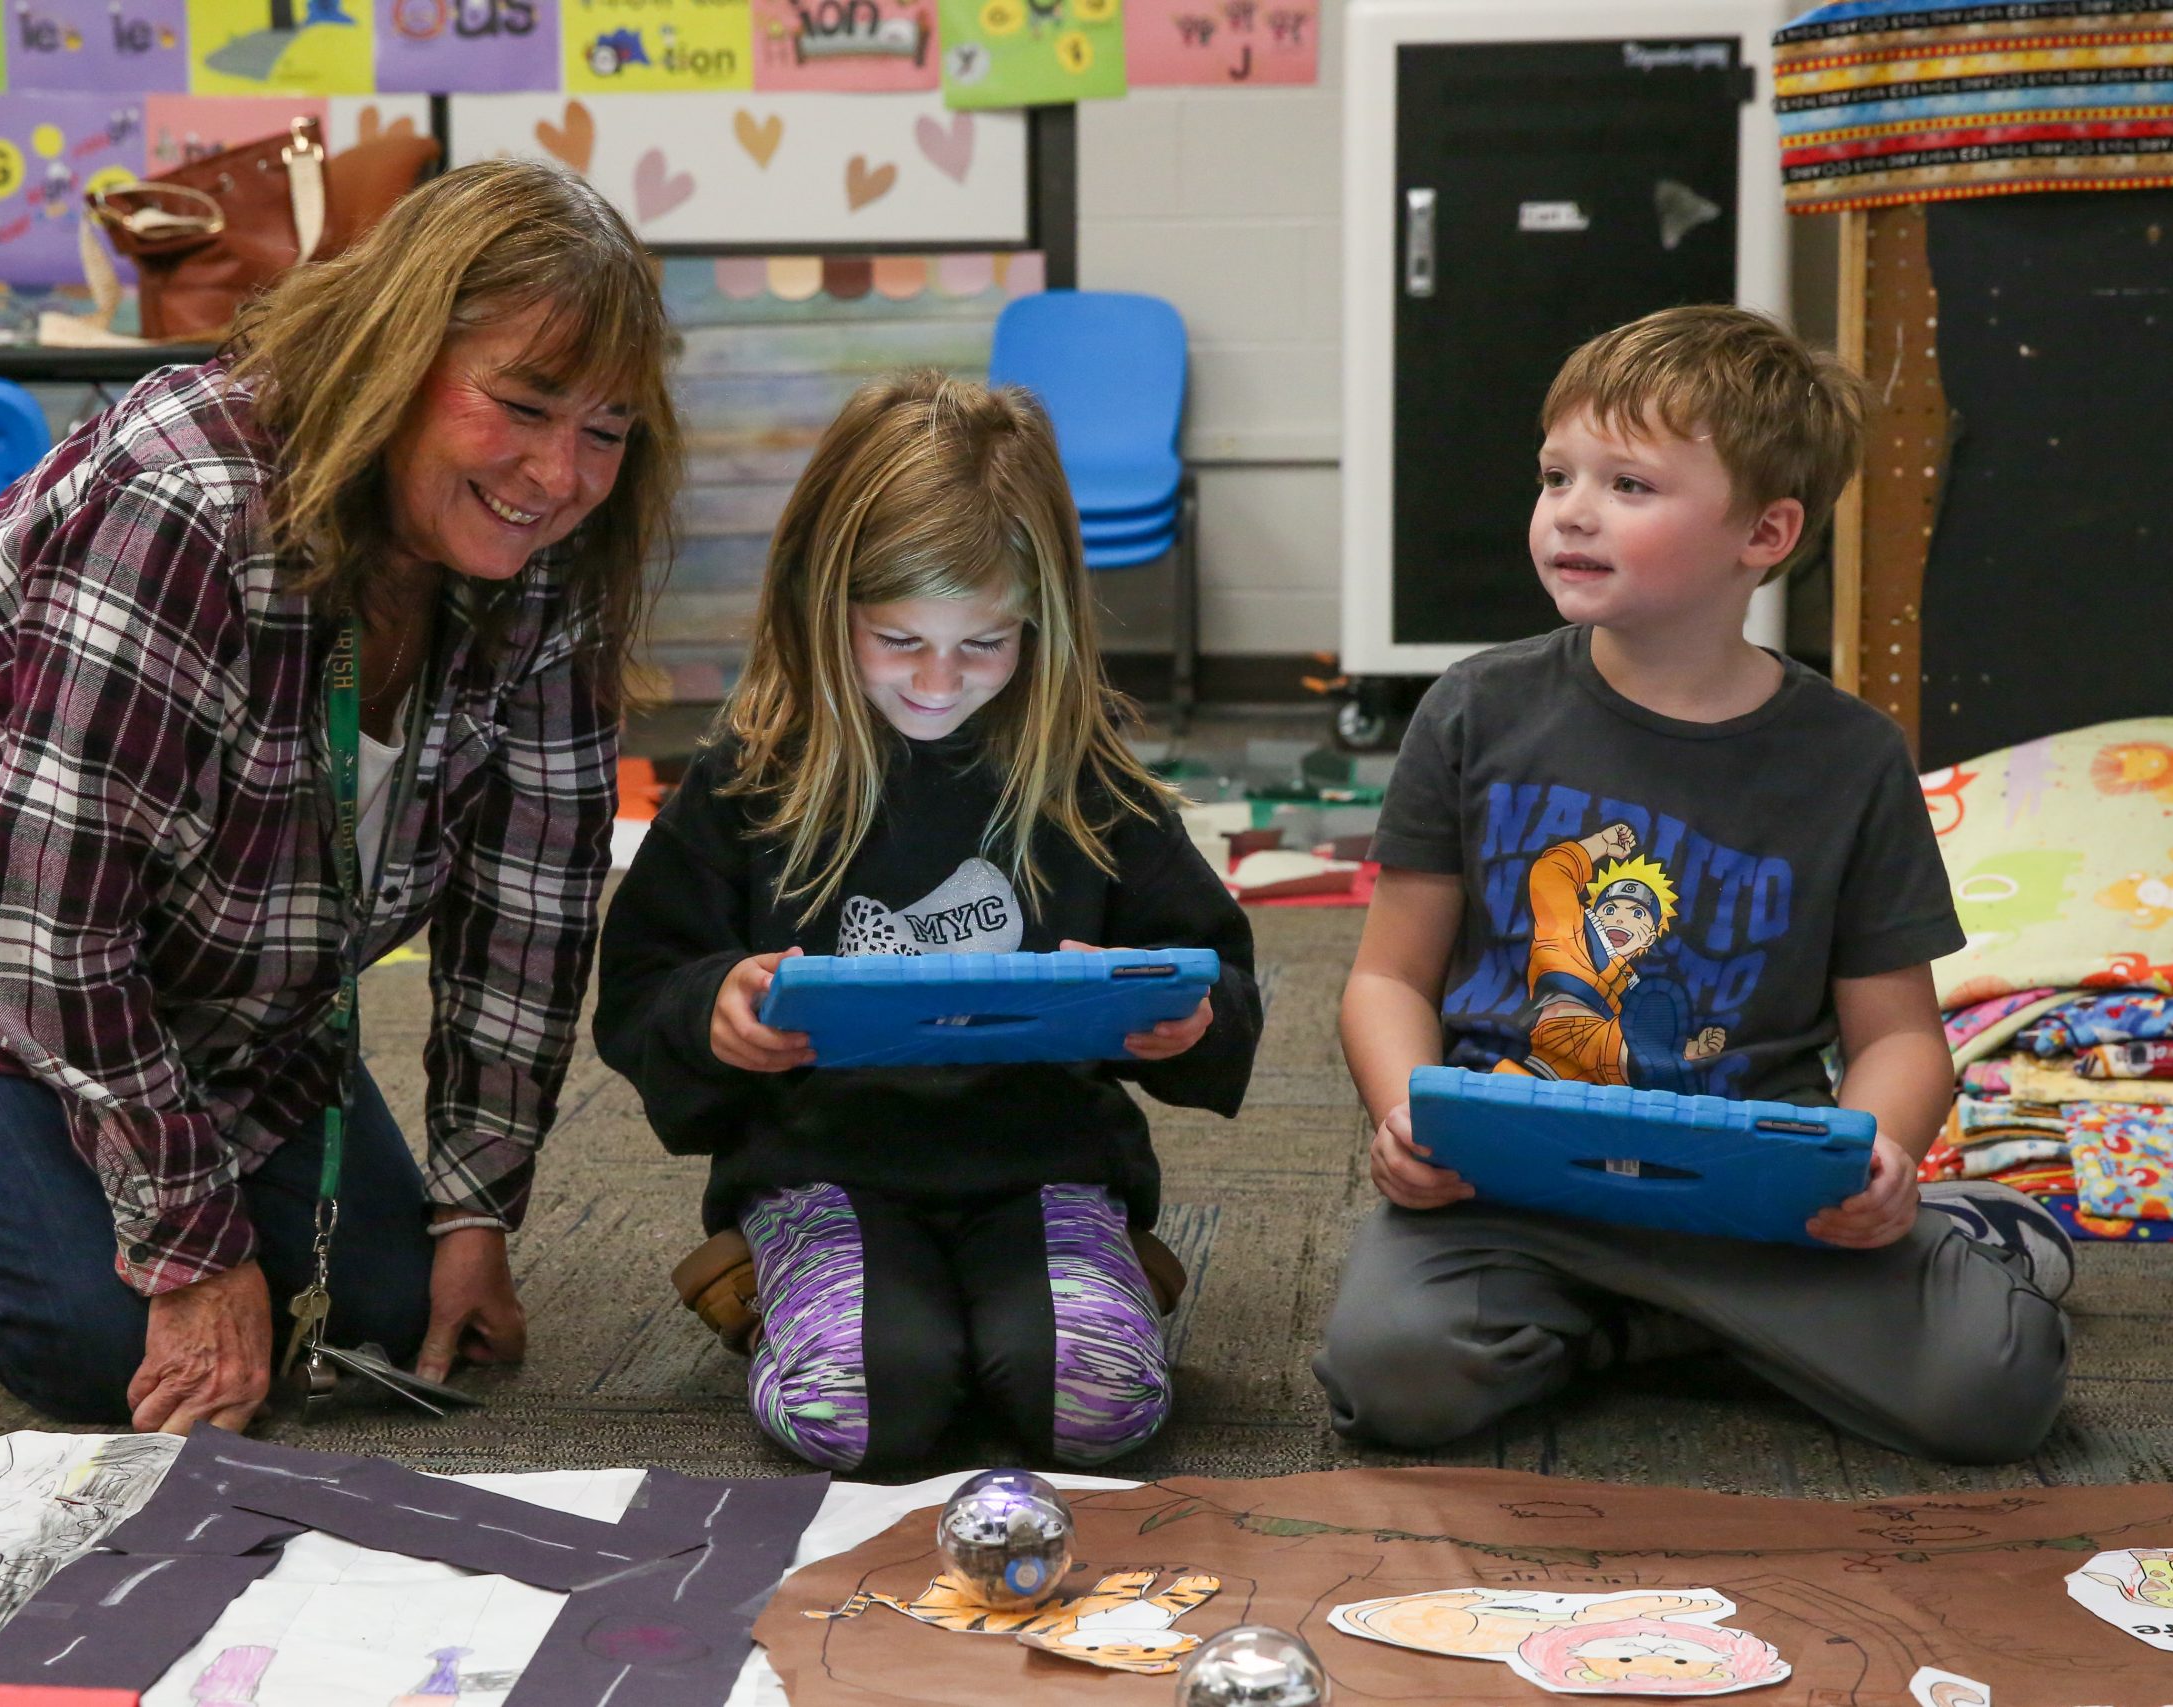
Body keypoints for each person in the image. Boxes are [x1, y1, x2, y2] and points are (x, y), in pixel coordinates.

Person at [0, 158, 680, 1433]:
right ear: (398, 356)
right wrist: (189, 1251)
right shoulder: (194, 498)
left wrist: (474, 1204)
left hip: (210, 966)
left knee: (380, 1310)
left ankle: (26, 1147)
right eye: (521, 405)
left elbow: (533, 905)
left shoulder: (550, 553)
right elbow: (49, 931)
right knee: (106, 1347)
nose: (558, 476)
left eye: (605, 429)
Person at [1314, 305, 2074, 1464]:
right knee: (1393, 1379)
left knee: (1994, 1395)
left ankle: (1940, 1238)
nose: (1570, 508)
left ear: (1764, 532)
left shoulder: (1849, 756)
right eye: (1557, 473)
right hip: (1515, 1192)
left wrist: (1885, 1155)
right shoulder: (1474, 710)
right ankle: (1683, 1332)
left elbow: (1901, 1037)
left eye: (1629, 485)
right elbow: (1385, 978)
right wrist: (1404, 1107)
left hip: (1754, 1200)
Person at [593, 372, 1262, 1471]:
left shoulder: (1081, 782)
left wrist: (1180, 1021)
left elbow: (1217, 979)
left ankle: (1097, 1278)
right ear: (824, 606)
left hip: (1044, 1167)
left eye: (985, 645)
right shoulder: (752, 782)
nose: (942, 683)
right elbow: (641, 981)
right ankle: (777, 1281)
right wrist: (713, 1009)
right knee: (856, 1408)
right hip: (827, 1170)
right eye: (899, 641)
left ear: (1038, 631)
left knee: (1098, 1410)